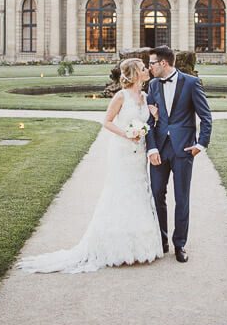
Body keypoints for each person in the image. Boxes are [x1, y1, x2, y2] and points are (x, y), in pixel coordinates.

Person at [18, 58, 163, 273]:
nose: (147, 70)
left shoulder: (145, 96)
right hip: (122, 151)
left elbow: (150, 124)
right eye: (143, 68)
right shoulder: (120, 96)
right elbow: (107, 121)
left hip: (139, 153)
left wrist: (156, 116)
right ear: (134, 74)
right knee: (120, 191)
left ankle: (137, 246)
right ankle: (115, 246)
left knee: (139, 191)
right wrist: (127, 134)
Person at [145, 45, 213, 262]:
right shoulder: (153, 85)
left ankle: (179, 244)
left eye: (152, 63)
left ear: (163, 63)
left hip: (183, 150)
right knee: (157, 194)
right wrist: (152, 148)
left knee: (182, 198)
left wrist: (200, 145)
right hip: (159, 150)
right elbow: (148, 120)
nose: (149, 67)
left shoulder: (191, 83)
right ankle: (162, 240)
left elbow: (206, 116)